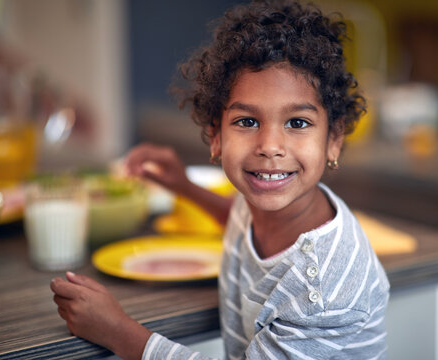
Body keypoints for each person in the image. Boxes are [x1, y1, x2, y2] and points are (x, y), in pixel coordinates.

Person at [50, 1, 390, 359]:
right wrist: (183, 186)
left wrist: (119, 332)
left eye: (297, 123)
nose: (270, 147)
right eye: (246, 121)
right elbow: (241, 221)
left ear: (333, 140)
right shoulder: (270, 206)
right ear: (216, 136)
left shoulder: (319, 289)